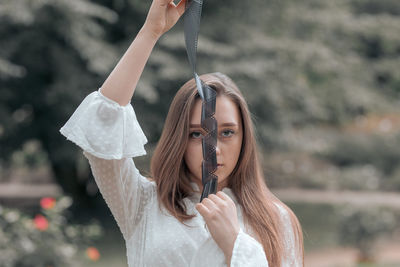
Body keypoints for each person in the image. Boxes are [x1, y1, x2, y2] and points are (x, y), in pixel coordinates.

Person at [60, 0, 304, 266]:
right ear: (179, 139)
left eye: (227, 133)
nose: (214, 150)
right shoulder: (144, 203)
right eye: (197, 134)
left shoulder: (275, 219)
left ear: (244, 138)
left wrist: (234, 242)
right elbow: (103, 125)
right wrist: (150, 32)